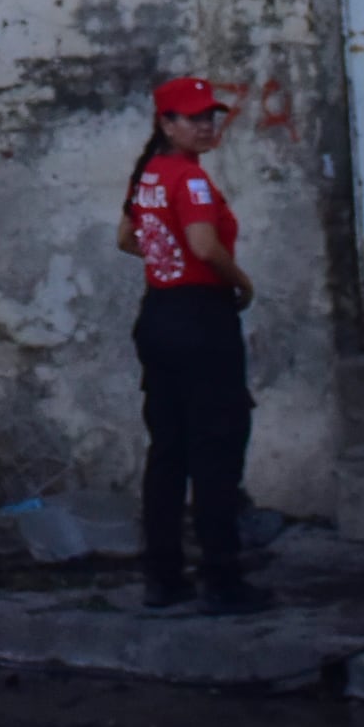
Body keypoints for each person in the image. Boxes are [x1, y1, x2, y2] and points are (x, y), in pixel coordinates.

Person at [126, 74, 266, 615]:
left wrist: (165, 259)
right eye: (192, 116)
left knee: (168, 450)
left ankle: (162, 574)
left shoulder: (148, 176)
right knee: (216, 447)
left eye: (211, 115)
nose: (206, 125)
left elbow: (126, 237)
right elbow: (204, 243)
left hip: (158, 315)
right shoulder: (191, 180)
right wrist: (241, 281)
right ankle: (222, 577)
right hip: (202, 319)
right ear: (166, 123)